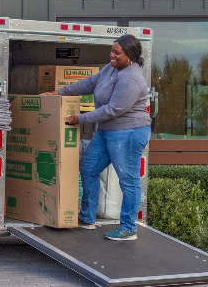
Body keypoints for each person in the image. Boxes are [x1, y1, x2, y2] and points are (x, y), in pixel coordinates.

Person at [43, 34, 151, 241]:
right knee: (88, 167)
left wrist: (80, 118)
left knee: (128, 180)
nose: (112, 54)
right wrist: (59, 93)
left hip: (128, 132)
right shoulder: (111, 69)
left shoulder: (131, 78)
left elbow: (113, 109)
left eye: (116, 52)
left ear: (130, 55)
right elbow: (89, 83)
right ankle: (87, 218)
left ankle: (128, 228)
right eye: (111, 50)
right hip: (106, 131)